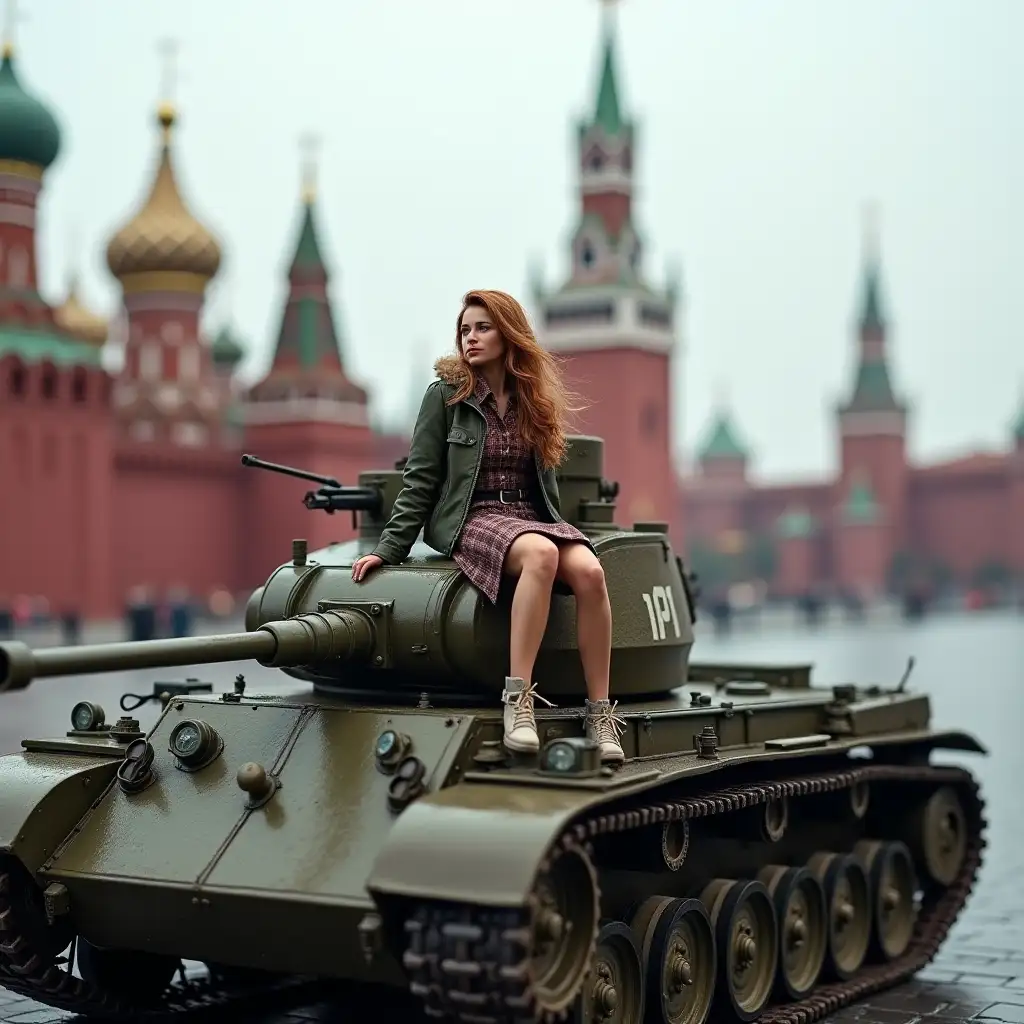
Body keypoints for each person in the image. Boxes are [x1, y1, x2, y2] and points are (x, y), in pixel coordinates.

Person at [352, 289, 625, 764]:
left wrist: (556, 528)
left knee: (590, 572)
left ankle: (600, 711)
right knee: (540, 555)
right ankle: (519, 700)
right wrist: (388, 548)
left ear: (508, 332)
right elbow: (420, 479)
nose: (471, 338)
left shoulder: (532, 398)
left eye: (483, 327)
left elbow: (545, 483)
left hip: (531, 517)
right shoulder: (445, 396)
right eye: (464, 329)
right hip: (472, 517)